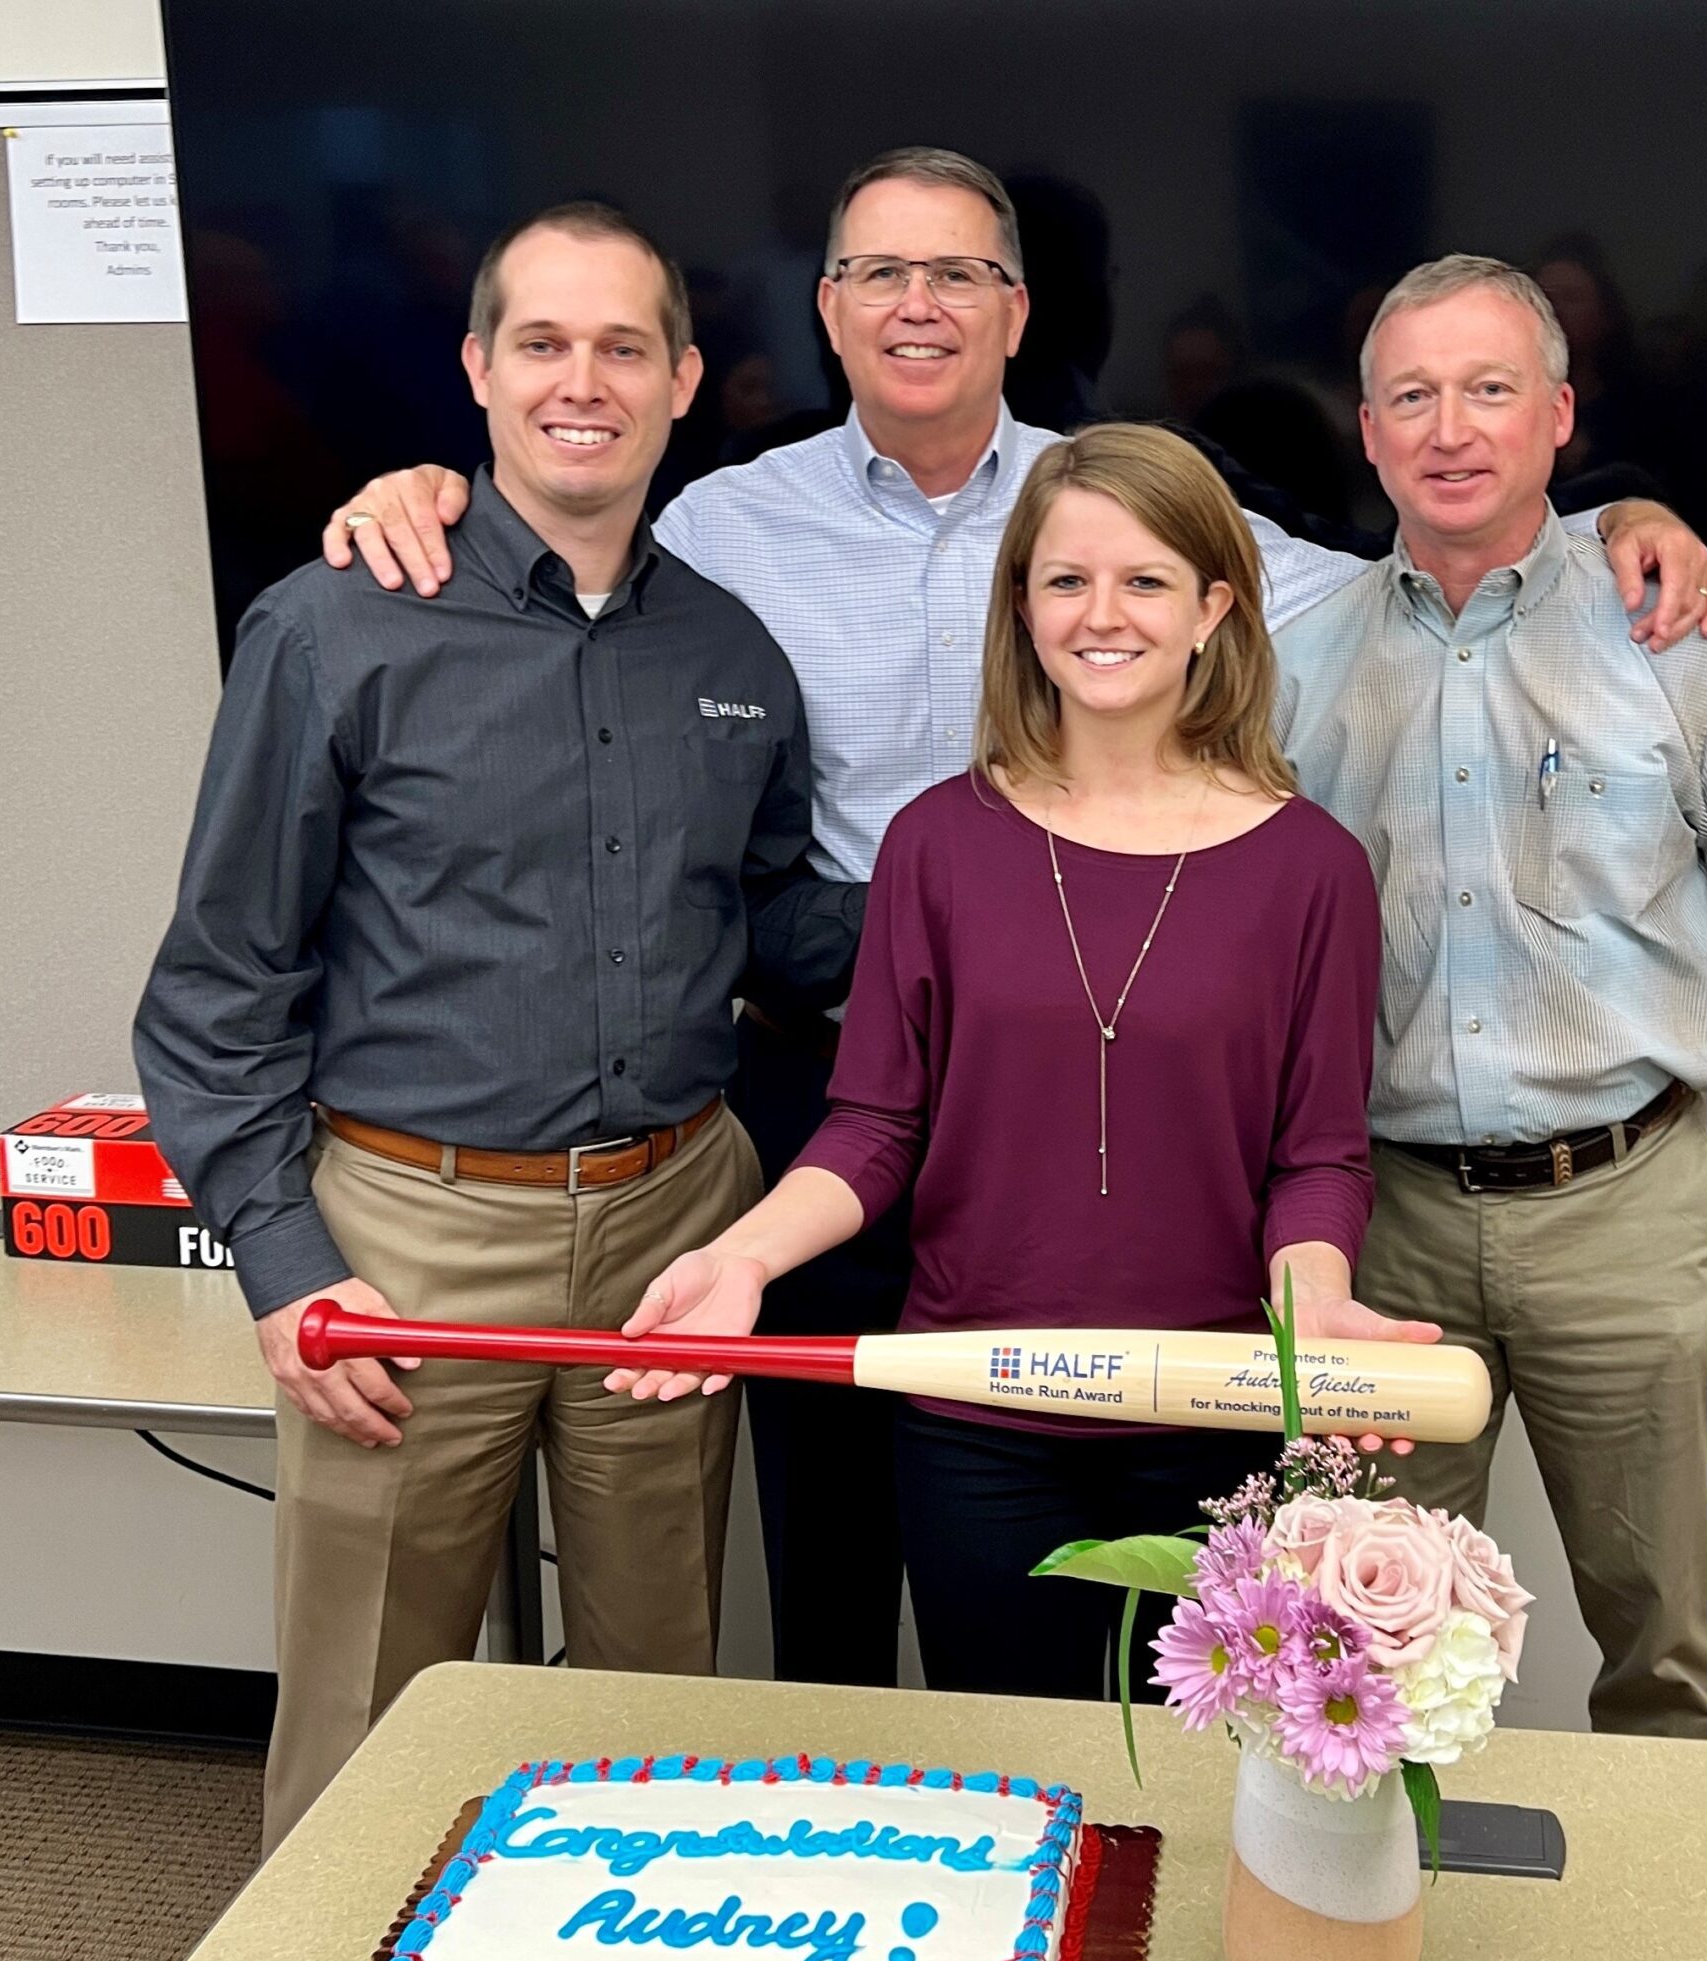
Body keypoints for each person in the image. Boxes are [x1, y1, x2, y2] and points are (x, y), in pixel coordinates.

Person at [315, 149, 1707, 1690]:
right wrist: (430, 485)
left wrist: (1606, 523)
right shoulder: (728, 542)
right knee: (850, 1601)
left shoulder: (1241, 725)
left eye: (960, 275)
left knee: (1185, 1733)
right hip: (862, 1121)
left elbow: (1433, 556)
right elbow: (556, 527)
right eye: (879, 274)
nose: (1102, 610)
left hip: (1193, 1325)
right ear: (830, 310)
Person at [135, 202, 852, 1853]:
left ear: (684, 378)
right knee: (366, 1715)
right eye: (543, 342)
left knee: (654, 1700)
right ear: (477, 370)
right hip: (408, 1239)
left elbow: (785, 923)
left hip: (680, 1222)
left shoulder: (732, 653)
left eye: (623, 347)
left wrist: (1031, 897)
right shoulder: (334, 628)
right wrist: (284, 1259)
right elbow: (216, 988)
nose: (580, 381)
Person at [604, 424, 1432, 1696]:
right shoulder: (939, 844)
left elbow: (1317, 1153)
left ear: (1214, 605)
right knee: (1013, 1790)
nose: (1104, 616)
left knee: (1198, 1807)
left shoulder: (1310, 865)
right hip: (975, 1417)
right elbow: (873, 1126)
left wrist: (1310, 1299)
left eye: (1145, 581)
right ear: (1024, 607)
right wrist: (739, 1259)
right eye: (1065, 580)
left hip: (1212, 1408)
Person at [1275, 254, 1707, 1742]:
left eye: (1488, 389)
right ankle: (1368, 1943)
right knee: (1361, 1651)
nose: (1449, 428)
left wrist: (1628, 1037)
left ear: (1558, 415)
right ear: (1368, 430)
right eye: (1413, 395)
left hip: (1624, 1213)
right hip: (1380, 1224)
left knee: (1663, 1649)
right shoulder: (1294, 660)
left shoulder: (1693, 637)